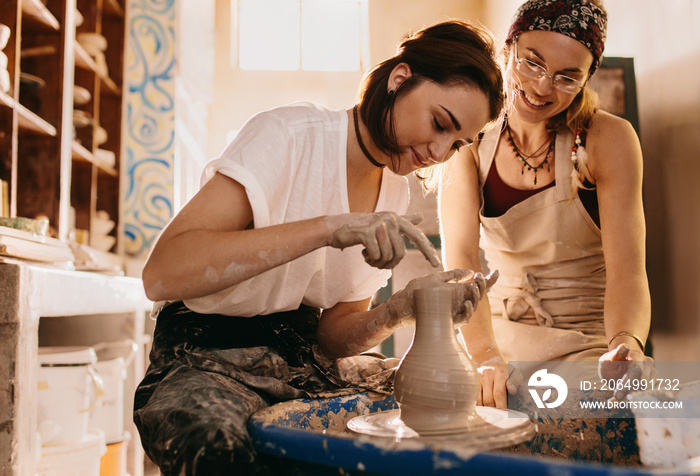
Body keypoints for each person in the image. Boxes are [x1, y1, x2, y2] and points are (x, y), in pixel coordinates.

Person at [134, 20, 504, 475]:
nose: (439, 151)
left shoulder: (394, 194)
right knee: (215, 446)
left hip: (299, 357)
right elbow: (162, 273)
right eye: (439, 124)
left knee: (429, 419)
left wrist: (402, 309)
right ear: (400, 78)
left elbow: (333, 336)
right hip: (205, 351)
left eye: (457, 143)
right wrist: (329, 228)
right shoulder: (289, 136)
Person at [439, 0, 653, 410]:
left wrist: (624, 345)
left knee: (614, 421)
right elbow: (462, 263)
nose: (541, 87)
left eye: (566, 77)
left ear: (588, 78)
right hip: (494, 336)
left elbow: (628, 271)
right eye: (531, 63)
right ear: (509, 50)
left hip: (586, 343)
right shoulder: (473, 136)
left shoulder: (608, 139)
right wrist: (484, 356)